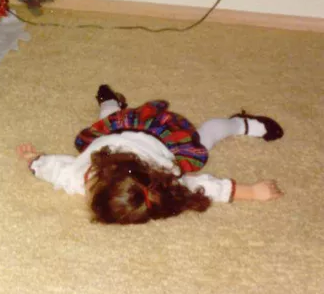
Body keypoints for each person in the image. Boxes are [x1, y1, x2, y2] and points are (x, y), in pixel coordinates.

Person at [16, 84, 284, 225]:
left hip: (146, 138)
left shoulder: (80, 178)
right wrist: (35, 162)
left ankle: (240, 124)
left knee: (208, 134)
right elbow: (54, 169)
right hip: (131, 135)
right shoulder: (158, 181)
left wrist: (36, 163)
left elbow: (58, 170)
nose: (83, 183)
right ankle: (110, 100)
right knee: (111, 118)